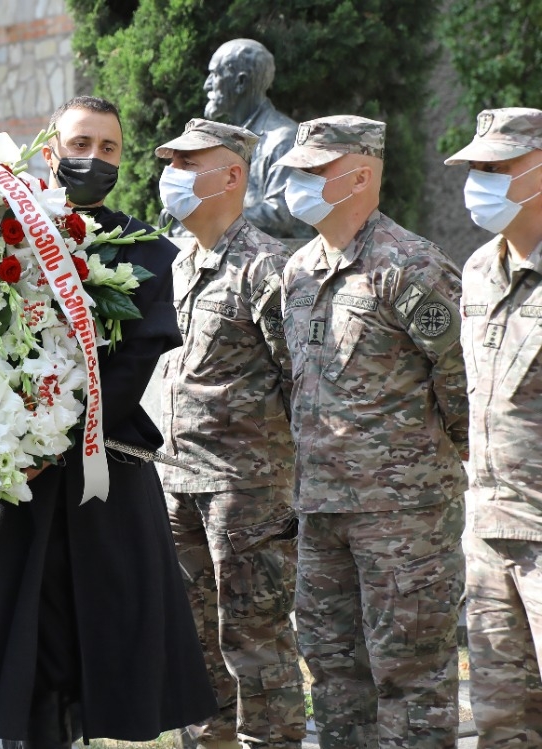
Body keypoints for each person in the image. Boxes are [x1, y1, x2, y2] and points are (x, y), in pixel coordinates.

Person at [0, 95, 217, 747]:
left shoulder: (149, 252)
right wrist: (7, 441)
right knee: (33, 646)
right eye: (80, 144)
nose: (93, 158)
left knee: (108, 637)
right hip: (20, 475)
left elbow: (131, 369)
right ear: (50, 149)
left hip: (103, 474)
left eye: (109, 148)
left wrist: (51, 438)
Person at [277, 116, 468, 748]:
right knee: (333, 676)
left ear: (359, 176)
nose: (297, 182)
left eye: (314, 170)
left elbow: (461, 377)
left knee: (412, 679)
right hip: (320, 510)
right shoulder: (299, 269)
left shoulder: (410, 266)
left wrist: (441, 465)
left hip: (404, 518)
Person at [155, 119, 303, 749]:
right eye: (171, 163)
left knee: (255, 645)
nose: (173, 176)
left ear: (232, 175)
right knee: (193, 648)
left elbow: (302, 381)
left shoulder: (267, 269)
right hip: (176, 483)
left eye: (189, 164)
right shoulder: (178, 261)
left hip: (247, 493)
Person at [445, 106, 542, 749]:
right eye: (475, 166)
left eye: (498, 166)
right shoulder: (479, 270)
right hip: (487, 531)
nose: (480, 179)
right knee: (501, 720)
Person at [202, 39, 311, 239]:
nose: (206, 85)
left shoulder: (284, 139)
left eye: (215, 74)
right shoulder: (227, 140)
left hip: (279, 254)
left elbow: (281, 213)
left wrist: (212, 219)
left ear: (241, 83)